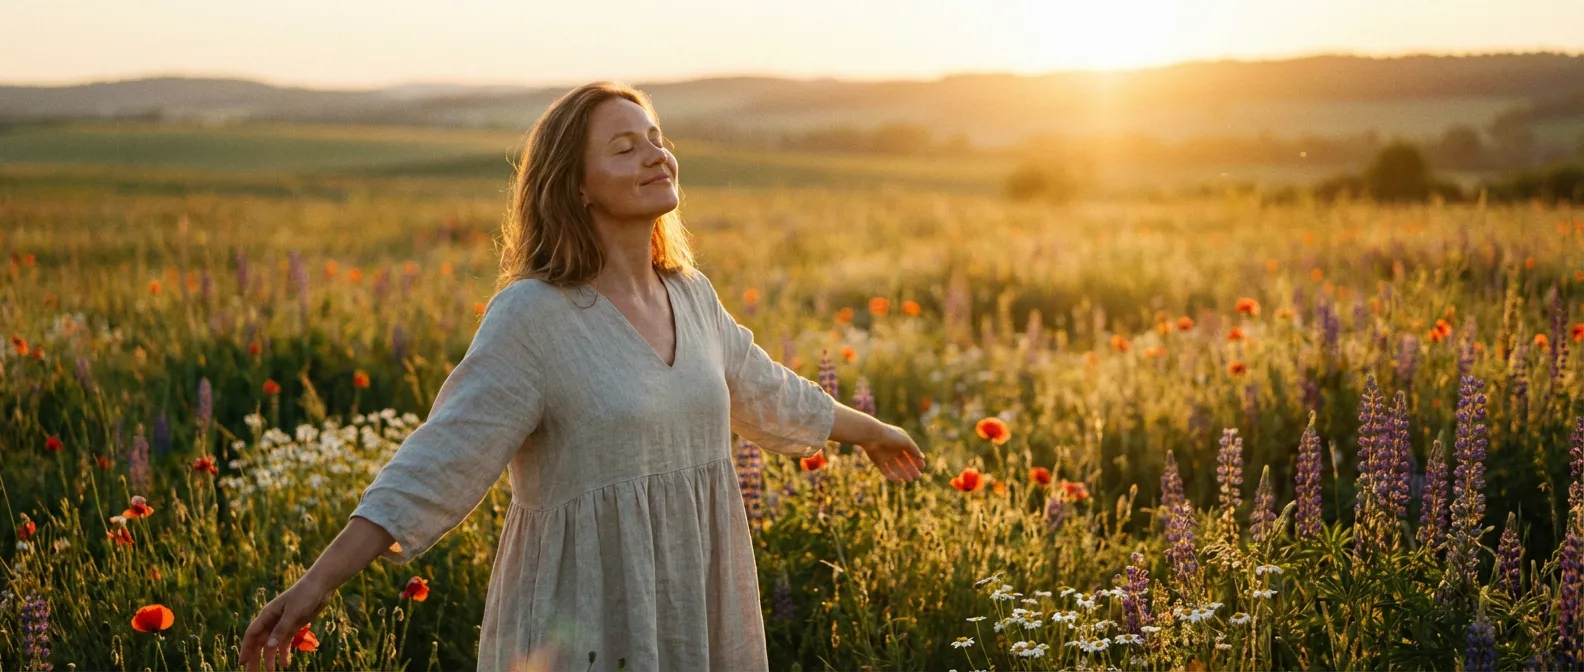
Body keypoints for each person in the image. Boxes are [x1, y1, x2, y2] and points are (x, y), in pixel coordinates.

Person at [239, 81, 927, 672]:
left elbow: (767, 389)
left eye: (656, 139)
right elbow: (439, 458)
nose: (655, 155)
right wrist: (315, 585)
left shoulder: (691, 294)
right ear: (575, 186)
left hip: (692, 601)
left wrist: (873, 431)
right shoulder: (534, 315)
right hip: (584, 614)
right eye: (624, 148)